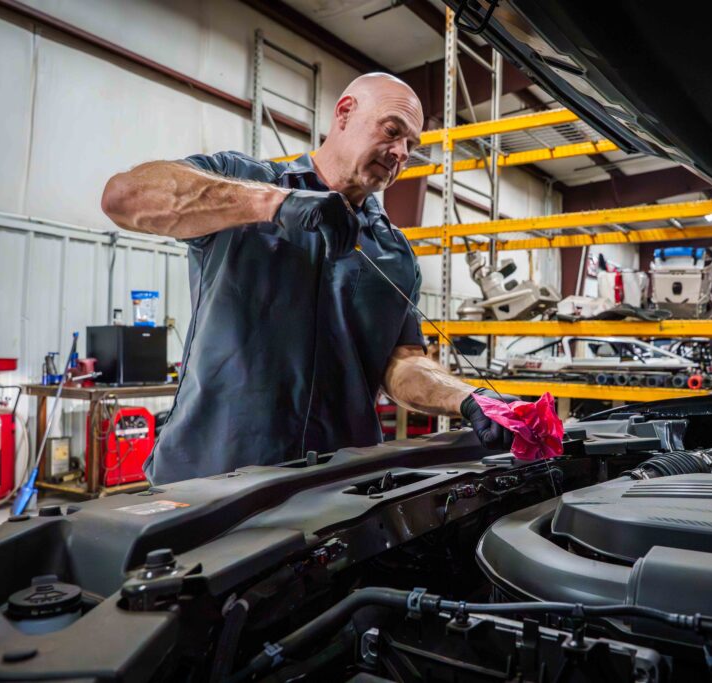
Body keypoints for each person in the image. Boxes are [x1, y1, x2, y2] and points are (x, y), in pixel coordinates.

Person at [101, 73, 516, 484]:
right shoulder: (243, 184)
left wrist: (466, 397)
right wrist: (275, 204)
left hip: (337, 489)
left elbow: (400, 364)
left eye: (411, 146)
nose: (400, 153)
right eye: (392, 131)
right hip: (210, 476)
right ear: (345, 113)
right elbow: (124, 197)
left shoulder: (394, 254)